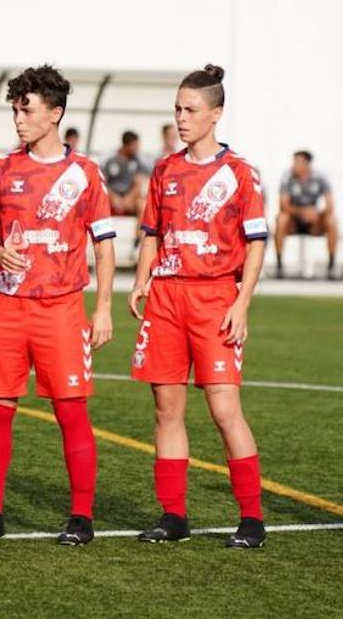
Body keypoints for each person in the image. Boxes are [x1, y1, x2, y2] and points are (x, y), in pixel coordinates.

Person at [0, 65, 116, 546]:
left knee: (71, 412)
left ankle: (81, 516)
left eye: (26, 110)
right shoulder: (2, 169)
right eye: (14, 109)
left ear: (55, 113)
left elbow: (104, 246)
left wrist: (103, 309)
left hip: (62, 308)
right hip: (6, 306)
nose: (18, 118)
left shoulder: (85, 173)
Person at [128, 64, 269, 549]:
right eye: (177, 109)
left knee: (225, 409)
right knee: (166, 409)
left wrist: (242, 303)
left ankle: (252, 519)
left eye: (190, 110)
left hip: (215, 298)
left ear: (216, 114)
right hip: (167, 299)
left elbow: (256, 243)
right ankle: (174, 516)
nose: (181, 118)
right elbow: (152, 234)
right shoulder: (165, 170)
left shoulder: (240, 173)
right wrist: (142, 280)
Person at [275, 150, 336, 279]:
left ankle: (331, 265)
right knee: (281, 219)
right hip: (294, 220)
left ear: (307, 164)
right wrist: (302, 212)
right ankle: (279, 264)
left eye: (298, 162)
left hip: (314, 222)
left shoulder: (320, 177)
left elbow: (330, 205)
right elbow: (283, 204)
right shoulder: (287, 177)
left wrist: (316, 214)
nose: (294, 165)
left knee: (331, 220)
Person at [104, 130, 149, 217]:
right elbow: (103, 183)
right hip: (112, 198)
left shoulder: (137, 162)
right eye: (135, 145)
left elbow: (139, 183)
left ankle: (140, 226)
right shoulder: (111, 161)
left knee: (143, 204)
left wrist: (129, 198)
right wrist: (113, 197)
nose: (138, 148)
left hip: (130, 199)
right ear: (127, 145)